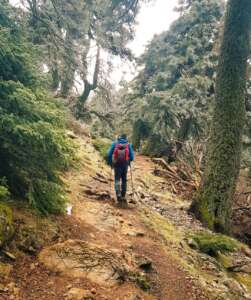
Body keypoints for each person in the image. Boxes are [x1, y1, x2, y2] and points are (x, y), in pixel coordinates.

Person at [107, 134, 134, 207]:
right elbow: (132, 157)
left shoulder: (115, 143)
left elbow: (109, 154)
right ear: (126, 138)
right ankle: (123, 195)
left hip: (117, 164)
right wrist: (128, 161)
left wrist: (110, 162)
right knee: (124, 180)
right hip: (125, 165)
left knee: (117, 179)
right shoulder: (128, 145)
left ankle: (118, 194)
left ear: (119, 137)